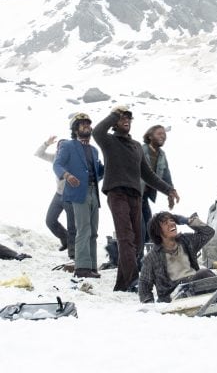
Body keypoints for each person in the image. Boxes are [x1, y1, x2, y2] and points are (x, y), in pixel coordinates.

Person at [92, 105, 180, 292]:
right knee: (126, 238)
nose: (126, 120)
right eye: (122, 118)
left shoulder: (135, 147)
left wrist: (169, 190)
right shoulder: (109, 141)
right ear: (115, 123)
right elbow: (97, 131)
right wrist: (114, 114)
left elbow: (148, 174)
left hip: (135, 196)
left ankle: (122, 284)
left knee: (138, 241)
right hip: (117, 193)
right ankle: (133, 280)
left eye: (128, 118)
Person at [53, 113, 104, 278]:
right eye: (82, 124)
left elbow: (99, 173)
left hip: (93, 192)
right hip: (77, 193)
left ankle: (92, 267)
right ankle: (82, 268)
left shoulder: (95, 150)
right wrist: (67, 176)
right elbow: (57, 164)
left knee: (94, 231)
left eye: (88, 124)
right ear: (75, 129)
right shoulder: (68, 146)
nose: (86, 126)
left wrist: (109, 165)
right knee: (84, 229)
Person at [138, 211, 215, 303]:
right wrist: (149, 304)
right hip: (172, 297)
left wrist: (188, 220)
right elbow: (144, 284)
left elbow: (209, 233)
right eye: (165, 223)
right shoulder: (151, 257)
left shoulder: (186, 241)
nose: (171, 223)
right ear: (157, 231)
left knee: (208, 275)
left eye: (172, 220)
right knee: (204, 273)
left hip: (194, 286)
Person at [34, 135, 76, 258]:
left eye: (64, 147)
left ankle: (73, 253)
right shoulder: (55, 158)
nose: (60, 150)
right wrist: (47, 143)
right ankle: (65, 239)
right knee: (50, 220)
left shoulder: (73, 160)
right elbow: (38, 154)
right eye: (59, 147)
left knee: (72, 225)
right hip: (58, 195)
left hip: (71, 196)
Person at [141, 125, 174, 246]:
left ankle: (142, 255)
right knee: (140, 226)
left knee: (148, 226)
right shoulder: (140, 150)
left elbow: (166, 175)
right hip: (134, 193)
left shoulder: (161, 155)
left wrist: (171, 192)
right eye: (159, 133)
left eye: (164, 134)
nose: (163, 136)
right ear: (150, 136)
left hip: (144, 196)